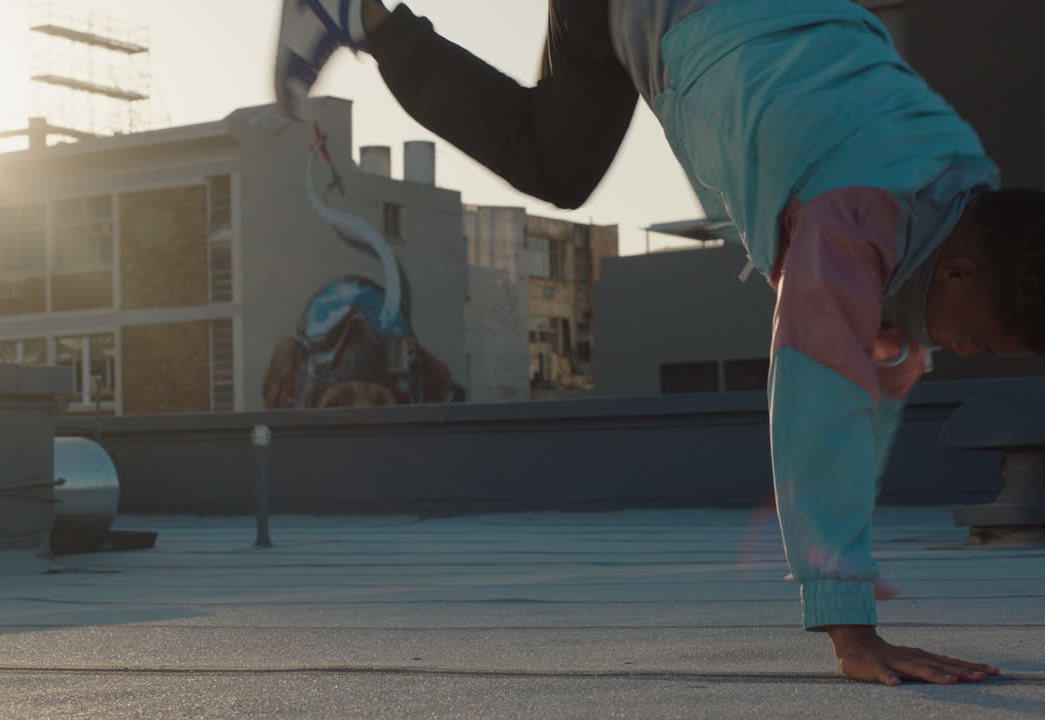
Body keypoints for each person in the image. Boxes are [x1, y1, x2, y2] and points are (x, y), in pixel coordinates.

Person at [275, 0, 1045, 685]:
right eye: (976, 338)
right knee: (551, 161)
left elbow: (875, 351)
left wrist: (885, 357)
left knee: (565, 159)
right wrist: (850, 626)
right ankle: (359, 14)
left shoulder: (958, 166)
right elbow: (821, 408)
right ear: (964, 270)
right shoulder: (848, 221)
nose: (965, 353)